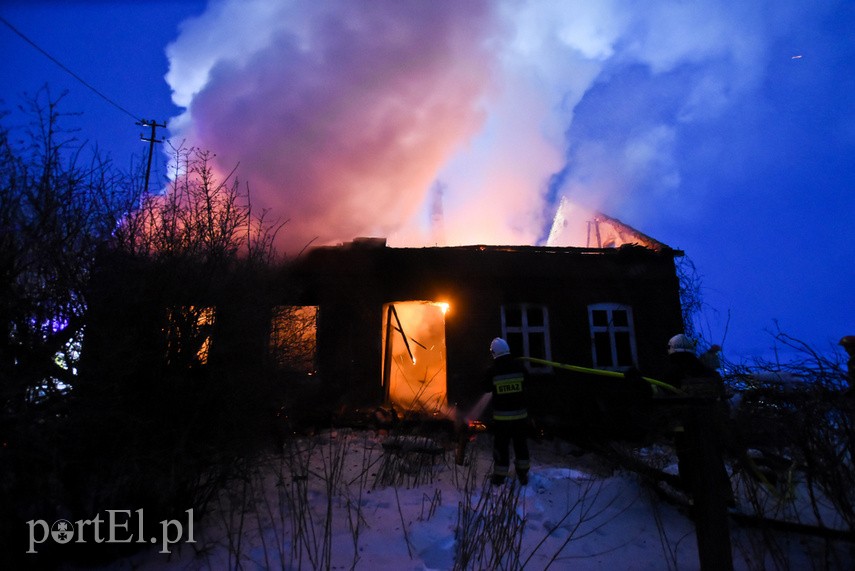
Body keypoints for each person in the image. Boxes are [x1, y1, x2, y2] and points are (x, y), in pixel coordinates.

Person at [663, 334, 732, 503]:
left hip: (686, 429)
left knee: (688, 460)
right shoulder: (710, 374)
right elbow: (722, 400)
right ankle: (725, 498)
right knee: (715, 461)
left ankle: (695, 497)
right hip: (714, 427)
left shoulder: (673, 375)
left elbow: (666, 403)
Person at [483, 337, 530, 485]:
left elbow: (485, 388)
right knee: (521, 445)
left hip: (502, 420)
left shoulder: (493, 371)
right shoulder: (520, 367)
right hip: (520, 417)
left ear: (494, 353)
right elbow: (528, 383)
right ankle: (523, 474)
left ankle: (499, 477)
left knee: (501, 448)